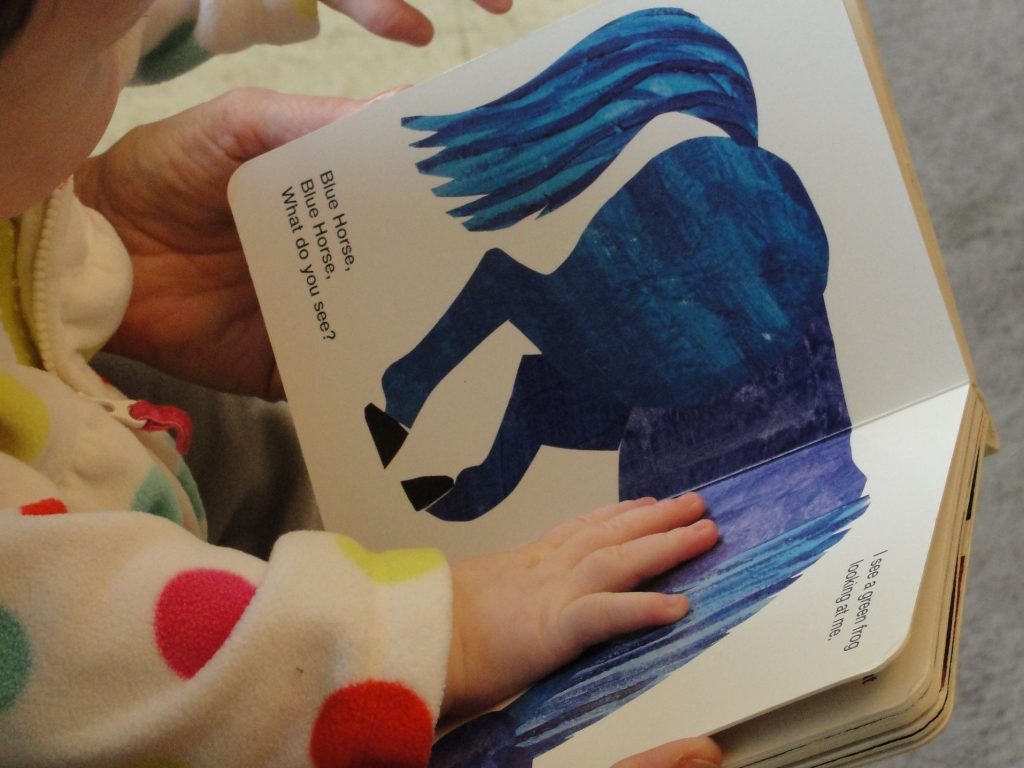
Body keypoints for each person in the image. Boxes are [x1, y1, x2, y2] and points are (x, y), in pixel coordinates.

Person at [0, 2, 723, 766]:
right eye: (99, 57)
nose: (123, 46)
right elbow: (80, 650)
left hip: (123, 436)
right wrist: (445, 634)